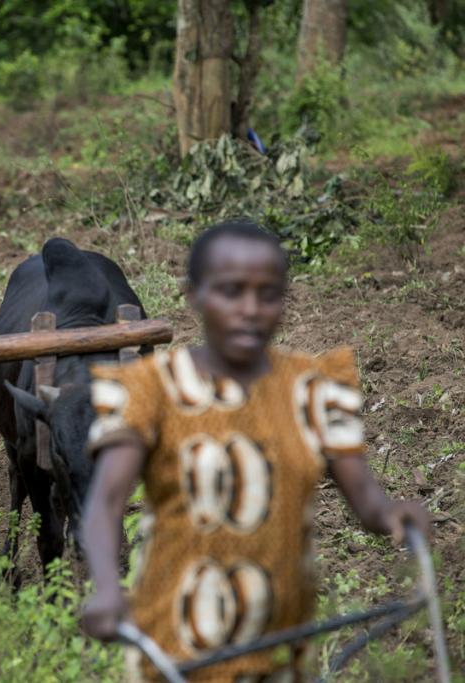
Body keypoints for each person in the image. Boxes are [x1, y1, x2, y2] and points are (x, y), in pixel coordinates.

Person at [79, 221, 431, 682]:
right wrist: (107, 586)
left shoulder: (313, 388)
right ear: (194, 296)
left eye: (268, 295)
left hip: (281, 647)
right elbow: (105, 501)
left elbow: (366, 500)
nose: (251, 310)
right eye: (231, 292)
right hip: (176, 647)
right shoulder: (151, 388)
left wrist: (394, 515)